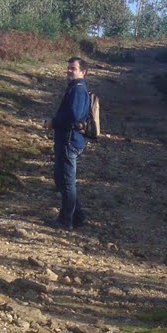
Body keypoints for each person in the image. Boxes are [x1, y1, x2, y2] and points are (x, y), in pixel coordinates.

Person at [51, 56, 92, 228]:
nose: (69, 71)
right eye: (68, 68)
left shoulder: (77, 90)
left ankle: (66, 220)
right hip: (70, 140)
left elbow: (74, 117)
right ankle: (78, 216)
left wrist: (53, 123)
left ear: (83, 72)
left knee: (66, 182)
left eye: (73, 68)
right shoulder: (77, 88)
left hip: (69, 140)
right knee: (61, 179)